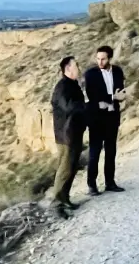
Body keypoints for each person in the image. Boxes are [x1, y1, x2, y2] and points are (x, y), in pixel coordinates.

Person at [84, 45, 126, 195]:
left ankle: (110, 182)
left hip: (112, 116)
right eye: (98, 59)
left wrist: (118, 96)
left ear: (110, 58)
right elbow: (93, 96)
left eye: (103, 59)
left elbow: (120, 91)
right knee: (94, 152)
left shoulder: (118, 71)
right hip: (96, 117)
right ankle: (92, 185)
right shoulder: (90, 74)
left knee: (111, 151)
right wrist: (113, 97)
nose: (100, 62)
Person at [50, 55, 86, 219]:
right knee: (64, 170)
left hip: (74, 133)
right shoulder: (63, 87)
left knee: (71, 168)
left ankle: (65, 199)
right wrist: (87, 104)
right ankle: (56, 204)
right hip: (66, 136)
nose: (79, 67)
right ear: (67, 69)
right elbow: (68, 107)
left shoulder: (72, 85)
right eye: (76, 65)